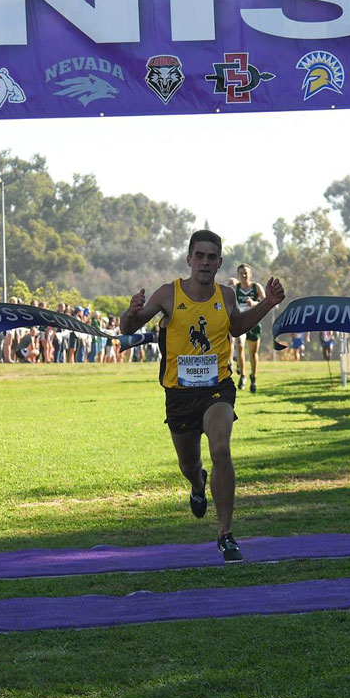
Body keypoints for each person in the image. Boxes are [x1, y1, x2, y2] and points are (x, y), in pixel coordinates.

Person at [120, 229, 285, 564]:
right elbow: (129, 328)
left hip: (216, 388)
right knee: (189, 465)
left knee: (221, 447)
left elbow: (237, 326)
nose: (205, 262)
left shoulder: (225, 296)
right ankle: (198, 485)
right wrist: (131, 311)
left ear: (219, 261)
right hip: (180, 395)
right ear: (189, 259)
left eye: (212, 257)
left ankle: (225, 533)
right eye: (200, 256)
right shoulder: (168, 294)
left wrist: (268, 303)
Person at [233, 263, 266, 393]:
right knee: (240, 344)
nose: (244, 275)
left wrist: (254, 304)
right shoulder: (234, 289)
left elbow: (266, 302)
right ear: (238, 275)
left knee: (253, 353)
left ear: (250, 274)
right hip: (241, 322)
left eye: (246, 273)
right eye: (241, 273)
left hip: (254, 322)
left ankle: (253, 378)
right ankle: (242, 375)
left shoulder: (256, 287)